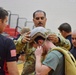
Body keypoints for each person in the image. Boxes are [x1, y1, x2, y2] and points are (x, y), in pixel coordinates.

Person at [15, 10, 70, 75]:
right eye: (37, 18)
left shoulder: (51, 35)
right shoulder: (28, 36)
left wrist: (58, 40)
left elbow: (68, 45)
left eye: (42, 18)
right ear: (33, 20)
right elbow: (14, 50)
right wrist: (21, 42)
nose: (40, 20)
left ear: (45, 20)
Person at [0, 7, 19, 75]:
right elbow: (13, 72)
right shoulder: (7, 42)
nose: (6, 25)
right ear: (0, 21)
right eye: (5, 21)